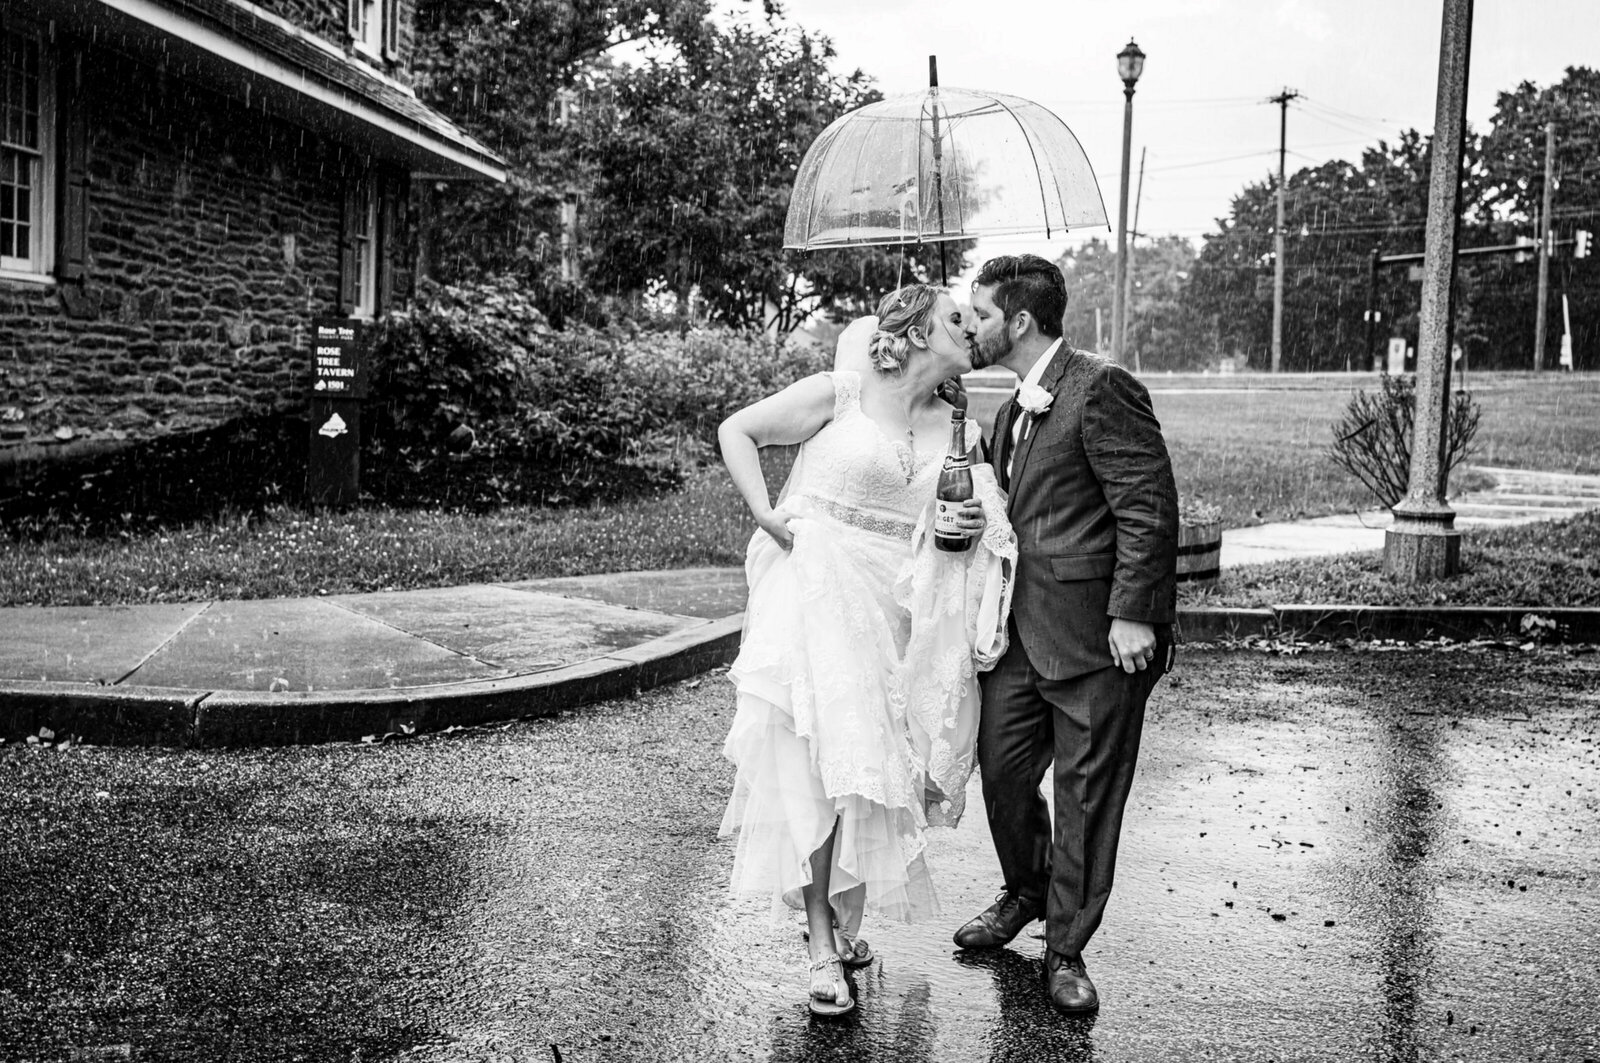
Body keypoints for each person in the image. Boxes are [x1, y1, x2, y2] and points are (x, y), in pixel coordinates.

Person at [717, 283, 1016, 1018]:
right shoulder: (840, 393)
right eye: (956, 316)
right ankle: (822, 945)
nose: (970, 327)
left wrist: (969, 521)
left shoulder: (958, 427)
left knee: (873, 774)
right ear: (913, 329)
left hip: (898, 605)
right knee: (825, 765)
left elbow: (965, 528)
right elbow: (738, 431)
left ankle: (843, 921)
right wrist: (766, 513)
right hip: (816, 586)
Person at [952, 254, 1178, 1014]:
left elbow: (1147, 504)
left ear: (1018, 320)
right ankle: (1026, 891)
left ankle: (1067, 948)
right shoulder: (1013, 405)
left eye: (978, 314)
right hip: (1018, 632)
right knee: (1002, 767)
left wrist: (1134, 611)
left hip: (1096, 637)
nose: (969, 324)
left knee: (1086, 793)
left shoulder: (1101, 387)